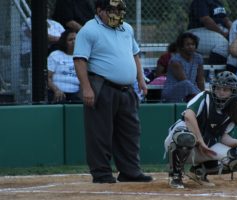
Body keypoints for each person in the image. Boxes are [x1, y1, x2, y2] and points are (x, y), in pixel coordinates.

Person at [73, 0, 152, 183]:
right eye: (112, 10)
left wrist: (141, 80)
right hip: (102, 87)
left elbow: (135, 55)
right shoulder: (89, 29)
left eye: (119, 9)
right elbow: (79, 60)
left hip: (127, 89)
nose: (117, 13)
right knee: (100, 134)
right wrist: (86, 88)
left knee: (130, 133)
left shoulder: (127, 28)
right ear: (100, 10)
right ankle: (102, 174)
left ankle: (130, 172)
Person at [164, 71, 237, 189]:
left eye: (226, 89)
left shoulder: (232, 111)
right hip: (178, 141)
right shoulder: (205, 96)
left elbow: (223, 138)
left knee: (236, 158)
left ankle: (198, 172)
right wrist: (200, 141)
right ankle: (175, 175)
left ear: (233, 92)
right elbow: (188, 116)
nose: (221, 92)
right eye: (218, 88)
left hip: (203, 149)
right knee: (186, 137)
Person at [161, 32, 205, 103]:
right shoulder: (175, 61)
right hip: (172, 93)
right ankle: (202, 99)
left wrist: (203, 93)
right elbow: (184, 81)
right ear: (181, 46)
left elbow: (200, 79)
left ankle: (202, 100)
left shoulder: (198, 58)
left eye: (193, 44)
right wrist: (201, 96)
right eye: (188, 44)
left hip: (191, 92)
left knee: (193, 87)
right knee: (186, 83)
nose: (191, 47)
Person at [187, 0, 232, 64]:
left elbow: (226, 19)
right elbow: (205, 19)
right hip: (198, 32)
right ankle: (212, 71)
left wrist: (232, 30)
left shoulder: (218, 2)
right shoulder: (200, 1)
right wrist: (222, 33)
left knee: (236, 45)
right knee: (225, 45)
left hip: (216, 32)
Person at [47, 29, 80, 103]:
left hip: (76, 93)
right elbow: (47, 78)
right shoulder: (55, 55)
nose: (74, 42)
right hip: (57, 91)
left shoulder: (83, 57)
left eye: (76, 39)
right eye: (70, 40)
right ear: (64, 42)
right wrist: (56, 90)